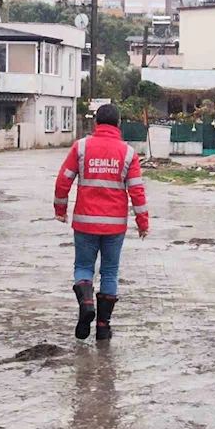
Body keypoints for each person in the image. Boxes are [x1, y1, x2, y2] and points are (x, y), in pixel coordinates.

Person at [54, 104, 149, 341]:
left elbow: (63, 180)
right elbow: (137, 191)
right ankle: (103, 327)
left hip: (85, 222)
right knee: (110, 272)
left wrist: (60, 208)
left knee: (84, 267)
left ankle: (86, 303)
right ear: (118, 124)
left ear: (96, 123)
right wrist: (143, 222)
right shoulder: (128, 153)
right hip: (115, 225)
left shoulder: (81, 147)